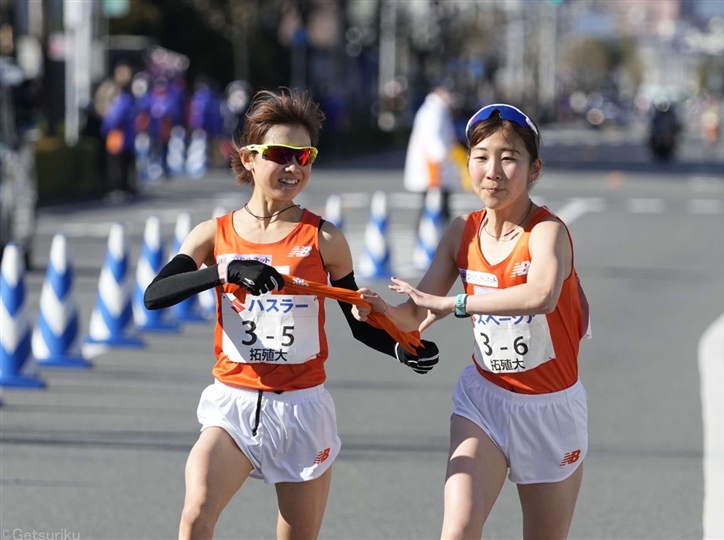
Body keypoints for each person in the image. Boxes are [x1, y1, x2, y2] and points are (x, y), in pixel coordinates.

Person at [143, 88, 439, 540]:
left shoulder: (324, 238)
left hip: (301, 411)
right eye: (280, 155)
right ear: (248, 159)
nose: (294, 168)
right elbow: (156, 295)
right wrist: (226, 271)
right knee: (196, 513)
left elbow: (357, 324)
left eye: (305, 156)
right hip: (233, 405)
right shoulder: (213, 234)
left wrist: (402, 349)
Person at [355, 104, 591, 539]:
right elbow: (416, 315)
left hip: (550, 409)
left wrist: (461, 304)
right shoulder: (461, 231)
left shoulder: (547, 232)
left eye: (509, 157)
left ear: (534, 168)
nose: (493, 171)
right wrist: (379, 313)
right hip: (484, 401)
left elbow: (542, 295)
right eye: (480, 156)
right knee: (458, 528)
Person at [403, 85, 461, 225]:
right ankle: (434, 242)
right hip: (433, 171)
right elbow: (433, 143)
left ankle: (437, 241)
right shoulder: (433, 112)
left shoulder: (437, 110)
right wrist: (449, 156)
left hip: (436, 170)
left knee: (434, 208)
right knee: (433, 209)